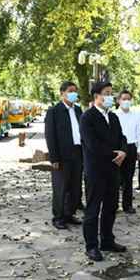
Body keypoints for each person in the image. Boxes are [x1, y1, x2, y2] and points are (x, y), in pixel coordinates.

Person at [79, 81, 128, 262]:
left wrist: (124, 150)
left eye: (111, 93)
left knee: (111, 207)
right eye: (106, 93)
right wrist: (115, 153)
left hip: (113, 169)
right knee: (93, 209)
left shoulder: (113, 117)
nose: (110, 97)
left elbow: (122, 137)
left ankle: (107, 240)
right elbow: (92, 145)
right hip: (95, 170)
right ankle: (91, 246)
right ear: (96, 96)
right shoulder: (88, 117)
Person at [45, 81, 83, 230]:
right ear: (62, 93)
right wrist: (54, 158)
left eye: (75, 91)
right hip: (61, 155)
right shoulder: (54, 111)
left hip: (78, 152)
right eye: (70, 91)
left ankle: (69, 214)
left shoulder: (79, 110)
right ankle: (58, 217)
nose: (73, 93)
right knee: (61, 187)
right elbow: (50, 135)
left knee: (75, 186)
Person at [114, 90, 140, 214]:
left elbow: (139, 132)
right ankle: (113, 205)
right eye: (123, 99)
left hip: (131, 146)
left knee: (128, 178)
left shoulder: (136, 115)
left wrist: (139, 149)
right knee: (115, 178)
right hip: (118, 148)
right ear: (119, 100)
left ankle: (127, 205)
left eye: (128, 99)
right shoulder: (114, 115)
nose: (126, 101)